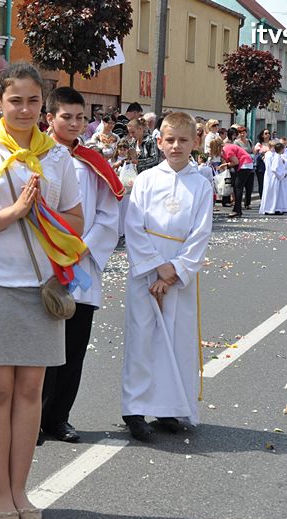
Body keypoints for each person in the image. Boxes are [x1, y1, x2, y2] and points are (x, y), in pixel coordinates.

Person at [0, 62, 85, 519]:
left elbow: (75, 222)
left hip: (42, 286)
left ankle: (21, 489)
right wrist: (15, 212)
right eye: (16, 100)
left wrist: (42, 215)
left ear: (43, 104)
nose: (25, 109)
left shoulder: (58, 159)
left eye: (33, 101)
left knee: (31, 390)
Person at [121, 111, 213, 441]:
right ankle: (134, 408)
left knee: (176, 340)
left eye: (183, 140)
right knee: (142, 336)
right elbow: (133, 225)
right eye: (170, 140)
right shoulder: (146, 180)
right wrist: (156, 267)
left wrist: (174, 271)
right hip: (147, 274)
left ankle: (168, 406)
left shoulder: (201, 184)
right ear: (159, 142)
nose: (176, 146)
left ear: (195, 142)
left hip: (177, 274)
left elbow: (201, 233)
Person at [40, 86, 121, 443]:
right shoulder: (35, 155)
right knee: (40, 348)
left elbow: (108, 214)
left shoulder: (92, 164)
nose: (74, 123)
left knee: (73, 348)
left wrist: (82, 248)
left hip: (80, 265)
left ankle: (59, 418)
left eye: (80, 117)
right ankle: (34, 419)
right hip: (40, 261)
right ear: (50, 118)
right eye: (66, 117)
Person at [219, 130, 254, 217]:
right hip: (245, 164)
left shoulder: (227, 150)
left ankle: (237, 210)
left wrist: (224, 165)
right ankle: (237, 209)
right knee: (236, 186)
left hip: (245, 165)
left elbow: (235, 162)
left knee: (238, 187)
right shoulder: (227, 148)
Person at [258, 142, 287, 215]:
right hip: (274, 177)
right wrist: (282, 175)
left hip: (270, 176)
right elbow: (274, 168)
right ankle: (271, 209)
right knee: (274, 193)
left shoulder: (270, 155)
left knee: (271, 193)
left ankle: (272, 208)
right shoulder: (276, 156)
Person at [253, 129, 272, 200]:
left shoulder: (271, 144)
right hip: (261, 165)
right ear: (262, 135)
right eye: (266, 133)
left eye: (268, 133)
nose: (268, 135)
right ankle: (262, 198)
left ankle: (269, 198)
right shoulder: (259, 144)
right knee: (261, 182)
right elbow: (254, 153)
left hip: (270, 165)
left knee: (269, 182)